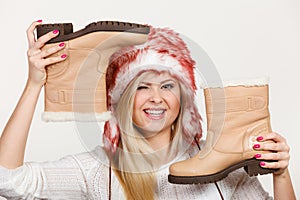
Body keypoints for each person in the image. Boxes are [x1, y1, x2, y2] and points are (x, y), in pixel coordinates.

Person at [0, 20, 296, 200]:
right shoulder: (97, 170)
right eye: (142, 86)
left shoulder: (220, 164)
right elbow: (8, 182)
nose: (156, 98)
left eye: (168, 86)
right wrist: (35, 84)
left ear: (183, 101)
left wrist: (281, 174)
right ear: (122, 99)